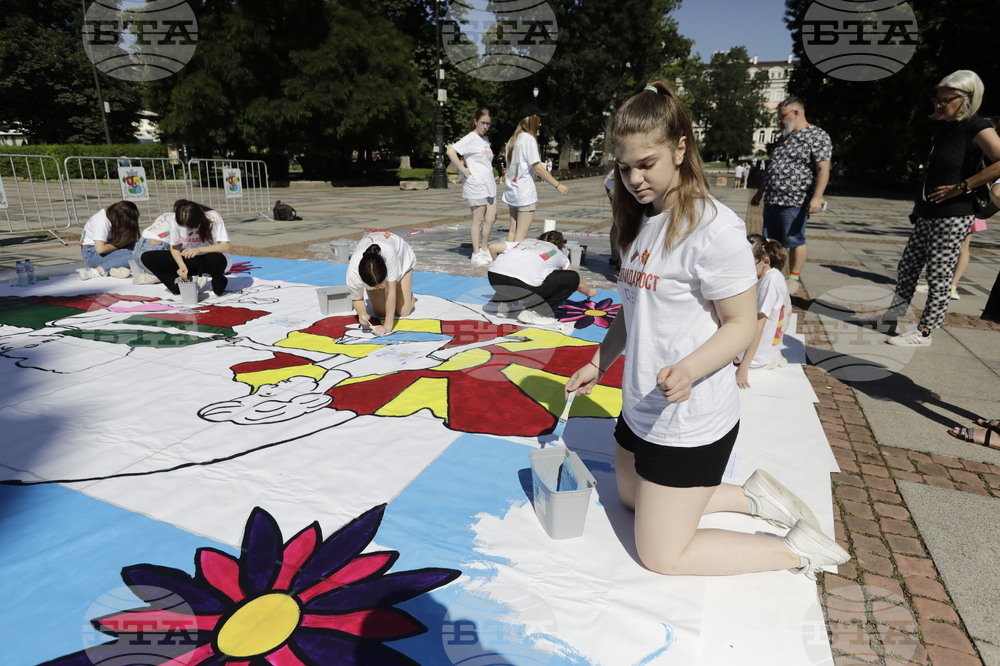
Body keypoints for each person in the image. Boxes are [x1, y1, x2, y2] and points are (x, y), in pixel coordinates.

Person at [565, 82, 848, 578]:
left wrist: (691, 370)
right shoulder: (636, 220)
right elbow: (633, 310)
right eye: (623, 166)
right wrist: (598, 361)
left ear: (680, 148)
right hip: (641, 405)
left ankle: (800, 551)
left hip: (689, 418)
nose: (633, 179)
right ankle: (750, 496)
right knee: (629, 500)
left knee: (660, 555)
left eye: (645, 164)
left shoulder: (712, 228)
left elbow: (742, 325)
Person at [880, 71, 1000, 346]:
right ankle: (894, 315)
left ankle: (925, 331)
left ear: (967, 98)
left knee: (939, 271)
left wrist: (964, 185)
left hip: (955, 213)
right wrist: (919, 203)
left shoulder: (977, 126)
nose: (938, 104)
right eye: (937, 98)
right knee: (908, 265)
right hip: (929, 211)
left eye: (946, 99)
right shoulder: (943, 126)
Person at [750, 96, 832, 295]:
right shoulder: (783, 138)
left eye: (782, 116)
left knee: (795, 240)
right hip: (773, 199)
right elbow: (772, 168)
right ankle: (770, 274)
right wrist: (760, 192)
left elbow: (823, 169)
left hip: (795, 200)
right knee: (769, 240)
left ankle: (793, 278)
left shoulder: (817, 135)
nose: (780, 121)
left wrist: (817, 197)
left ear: (796, 113)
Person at [485, 230, 596, 332]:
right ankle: (536, 312)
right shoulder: (557, 252)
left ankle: (505, 303)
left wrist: (501, 265)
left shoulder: (526, 242)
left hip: (495, 279)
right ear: (561, 245)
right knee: (571, 277)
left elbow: (492, 247)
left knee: (514, 271)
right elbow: (576, 281)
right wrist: (589, 292)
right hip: (523, 286)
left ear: (540, 238)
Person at [503, 102, 569, 242]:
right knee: (521, 234)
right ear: (532, 120)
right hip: (525, 192)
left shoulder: (512, 140)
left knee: (513, 231)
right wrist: (558, 185)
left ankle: (505, 259)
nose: (540, 124)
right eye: (539, 119)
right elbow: (538, 168)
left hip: (512, 189)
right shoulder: (528, 139)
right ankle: (512, 261)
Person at [949, 116, 999, 301]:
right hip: (973, 203)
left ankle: (951, 285)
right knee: (962, 246)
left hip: (971, 203)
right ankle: (950, 284)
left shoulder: (984, 153)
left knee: (960, 246)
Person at [142, 199, 232, 298]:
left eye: (192, 227)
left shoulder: (212, 216)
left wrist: (199, 250)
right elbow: (174, 247)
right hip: (191, 260)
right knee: (147, 257)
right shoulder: (175, 219)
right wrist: (181, 266)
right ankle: (181, 284)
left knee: (215, 259)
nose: (189, 230)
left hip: (210, 260)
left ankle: (219, 281)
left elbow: (225, 246)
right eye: (184, 227)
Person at [735, 235, 790, 389]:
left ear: (765, 261)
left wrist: (743, 368)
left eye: (749, 264)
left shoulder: (770, 283)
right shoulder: (771, 275)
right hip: (766, 352)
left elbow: (759, 325)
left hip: (756, 358)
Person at [446, 107, 497, 267]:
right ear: (475, 121)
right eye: (482, 123)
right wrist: (465, 171)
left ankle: (483, 248)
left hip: (489, 184)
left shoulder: (485, 140)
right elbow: (451, 151)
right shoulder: (470, 138)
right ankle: (476, 253)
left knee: (491, 218)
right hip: (476, 185)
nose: (485, 126)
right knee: (478, 219)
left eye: (488, 124)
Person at [347, 230, 416, 336]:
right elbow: (357, 299)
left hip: (402, 259)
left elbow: (390, 293)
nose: (379, 288)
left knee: (404, 311)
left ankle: (406, 293)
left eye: (381, 284)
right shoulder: (353, 273)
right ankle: (398, 291)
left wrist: (388, 327)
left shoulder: (389, 254)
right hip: (380, 270)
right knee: (380, 312)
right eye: (374, 287)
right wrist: (362, 314)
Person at [78, 201, 140, 279]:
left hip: (109, 249)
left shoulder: (112, 215)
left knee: (142, 250)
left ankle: (116, 270)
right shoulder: (101, 221)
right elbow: (100, 249)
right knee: (136, 255)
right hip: (92, 254)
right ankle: (98, 271)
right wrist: (121, 244)